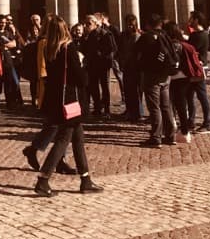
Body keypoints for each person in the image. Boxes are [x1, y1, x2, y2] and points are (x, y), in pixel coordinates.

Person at [33, 15, 103, 197]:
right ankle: (43, 179)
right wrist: (82, 64)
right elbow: (80, 78)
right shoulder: (68, 47)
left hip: (55, 99)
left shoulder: (49, 48)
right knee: (64, 139)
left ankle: (85, 179)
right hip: (70, 100)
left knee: (78, 139)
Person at [135, 14, 177, 148]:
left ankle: (156, 137)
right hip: (166, 75)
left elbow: (136, 53)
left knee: (154, 107)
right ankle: (170, 136)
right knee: (166, 106)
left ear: (148, 24)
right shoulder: (165, 36)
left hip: (151, 75)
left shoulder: (146, 37)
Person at [164, 22, 194, 143]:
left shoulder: (172, 45)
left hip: (174, 76)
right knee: (182, 104)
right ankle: (184, 130)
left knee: (173, 104)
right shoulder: (183, 43)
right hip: (185, 76)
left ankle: (178, 129)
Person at [81, 14, 114, 117]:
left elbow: (112, 49)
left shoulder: (105, 34)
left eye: (89, 24)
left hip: (102, 65)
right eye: (85, 24)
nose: (87, 26)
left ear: (95, 24)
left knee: (104, 87)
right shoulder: (88, 35)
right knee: (93, 87)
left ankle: (107, 110)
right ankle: (97, 108)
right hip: (92, 65)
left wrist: (102, 56)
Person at [186, 15, 210, 133]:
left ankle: (207, 122)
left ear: (197, 20)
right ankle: (190, 121)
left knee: (201, 96)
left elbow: (191, 49)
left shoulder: (200, 35)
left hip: (197, 68)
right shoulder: (198, 34)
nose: (189, 21)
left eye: (191, 19)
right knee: (189, 95)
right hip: (193, 68)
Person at [118, 14, 142, 122]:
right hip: (126, 66)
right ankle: (130, 110)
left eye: (132, 25)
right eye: (128, 25)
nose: (130, 27)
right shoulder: (124, 35)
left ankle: (136, 113)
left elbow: (135, 52)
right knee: (127, 90)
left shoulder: (137, 36)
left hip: (134, 67)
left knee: (134, 91)